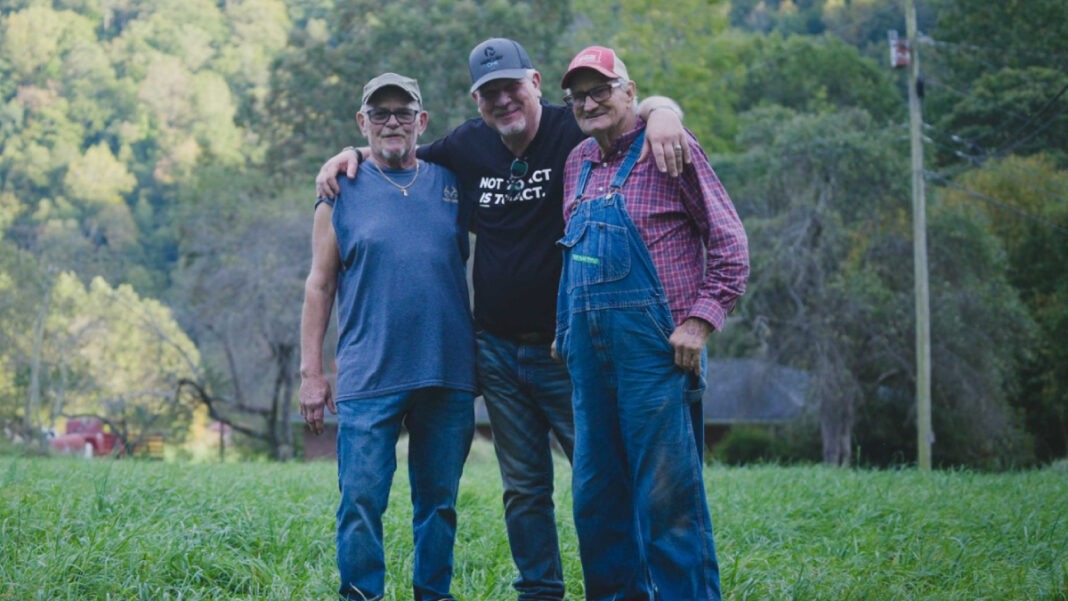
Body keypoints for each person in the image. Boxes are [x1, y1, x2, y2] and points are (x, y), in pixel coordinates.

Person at [314, 38, 692, 601]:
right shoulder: (467, 147)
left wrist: (665, 112)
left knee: (600, 480)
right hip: (494, 350)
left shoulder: (574, 130)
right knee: (523, 490)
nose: (502, 100)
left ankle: (626, 592)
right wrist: (348, 155)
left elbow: (624, 111)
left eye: (511, 87)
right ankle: (540, 591)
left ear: (535, 83)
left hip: (568, 348)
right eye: (489, 93)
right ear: (476, 100)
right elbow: (397, 153)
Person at [553, 46, 750, 601]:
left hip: (657, 355)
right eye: (579, 96)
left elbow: (730, 244)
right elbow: (573, 254)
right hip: (589, 360)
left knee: (668, 500)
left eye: (601, 90)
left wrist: (700, 322)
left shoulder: (669, 147)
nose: (590, 102)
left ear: (629, 91)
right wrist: (564, 327)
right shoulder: (578, 162)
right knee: (596, 497)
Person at [299, 72, 476, 601]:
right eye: (380, 113)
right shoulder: (340, 190)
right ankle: (361, 595)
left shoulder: (452, 181)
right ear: (363, 122)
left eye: (404, 112)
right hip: (368, 373)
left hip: (447, 372)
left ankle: (433, 594)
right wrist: (312, 374)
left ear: (422, 121)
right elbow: (319, 283)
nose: (392, 122)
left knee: (438, 504)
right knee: (360, 502)